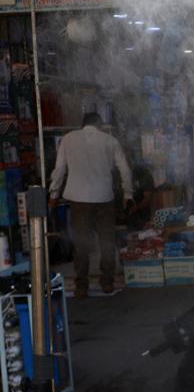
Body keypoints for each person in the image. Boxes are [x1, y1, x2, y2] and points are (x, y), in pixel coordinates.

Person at [48, 111, 133, 297]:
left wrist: (53, 193)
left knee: (81, 243)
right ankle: (107, 282)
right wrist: (128, 193)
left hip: (78, 199)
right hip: (104, 198)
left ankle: (81, 286)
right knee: (107, 241)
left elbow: (60, 169)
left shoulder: (68, 139)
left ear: (82, 124)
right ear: (100, 124)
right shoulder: (110, 141)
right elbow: (124, 169)